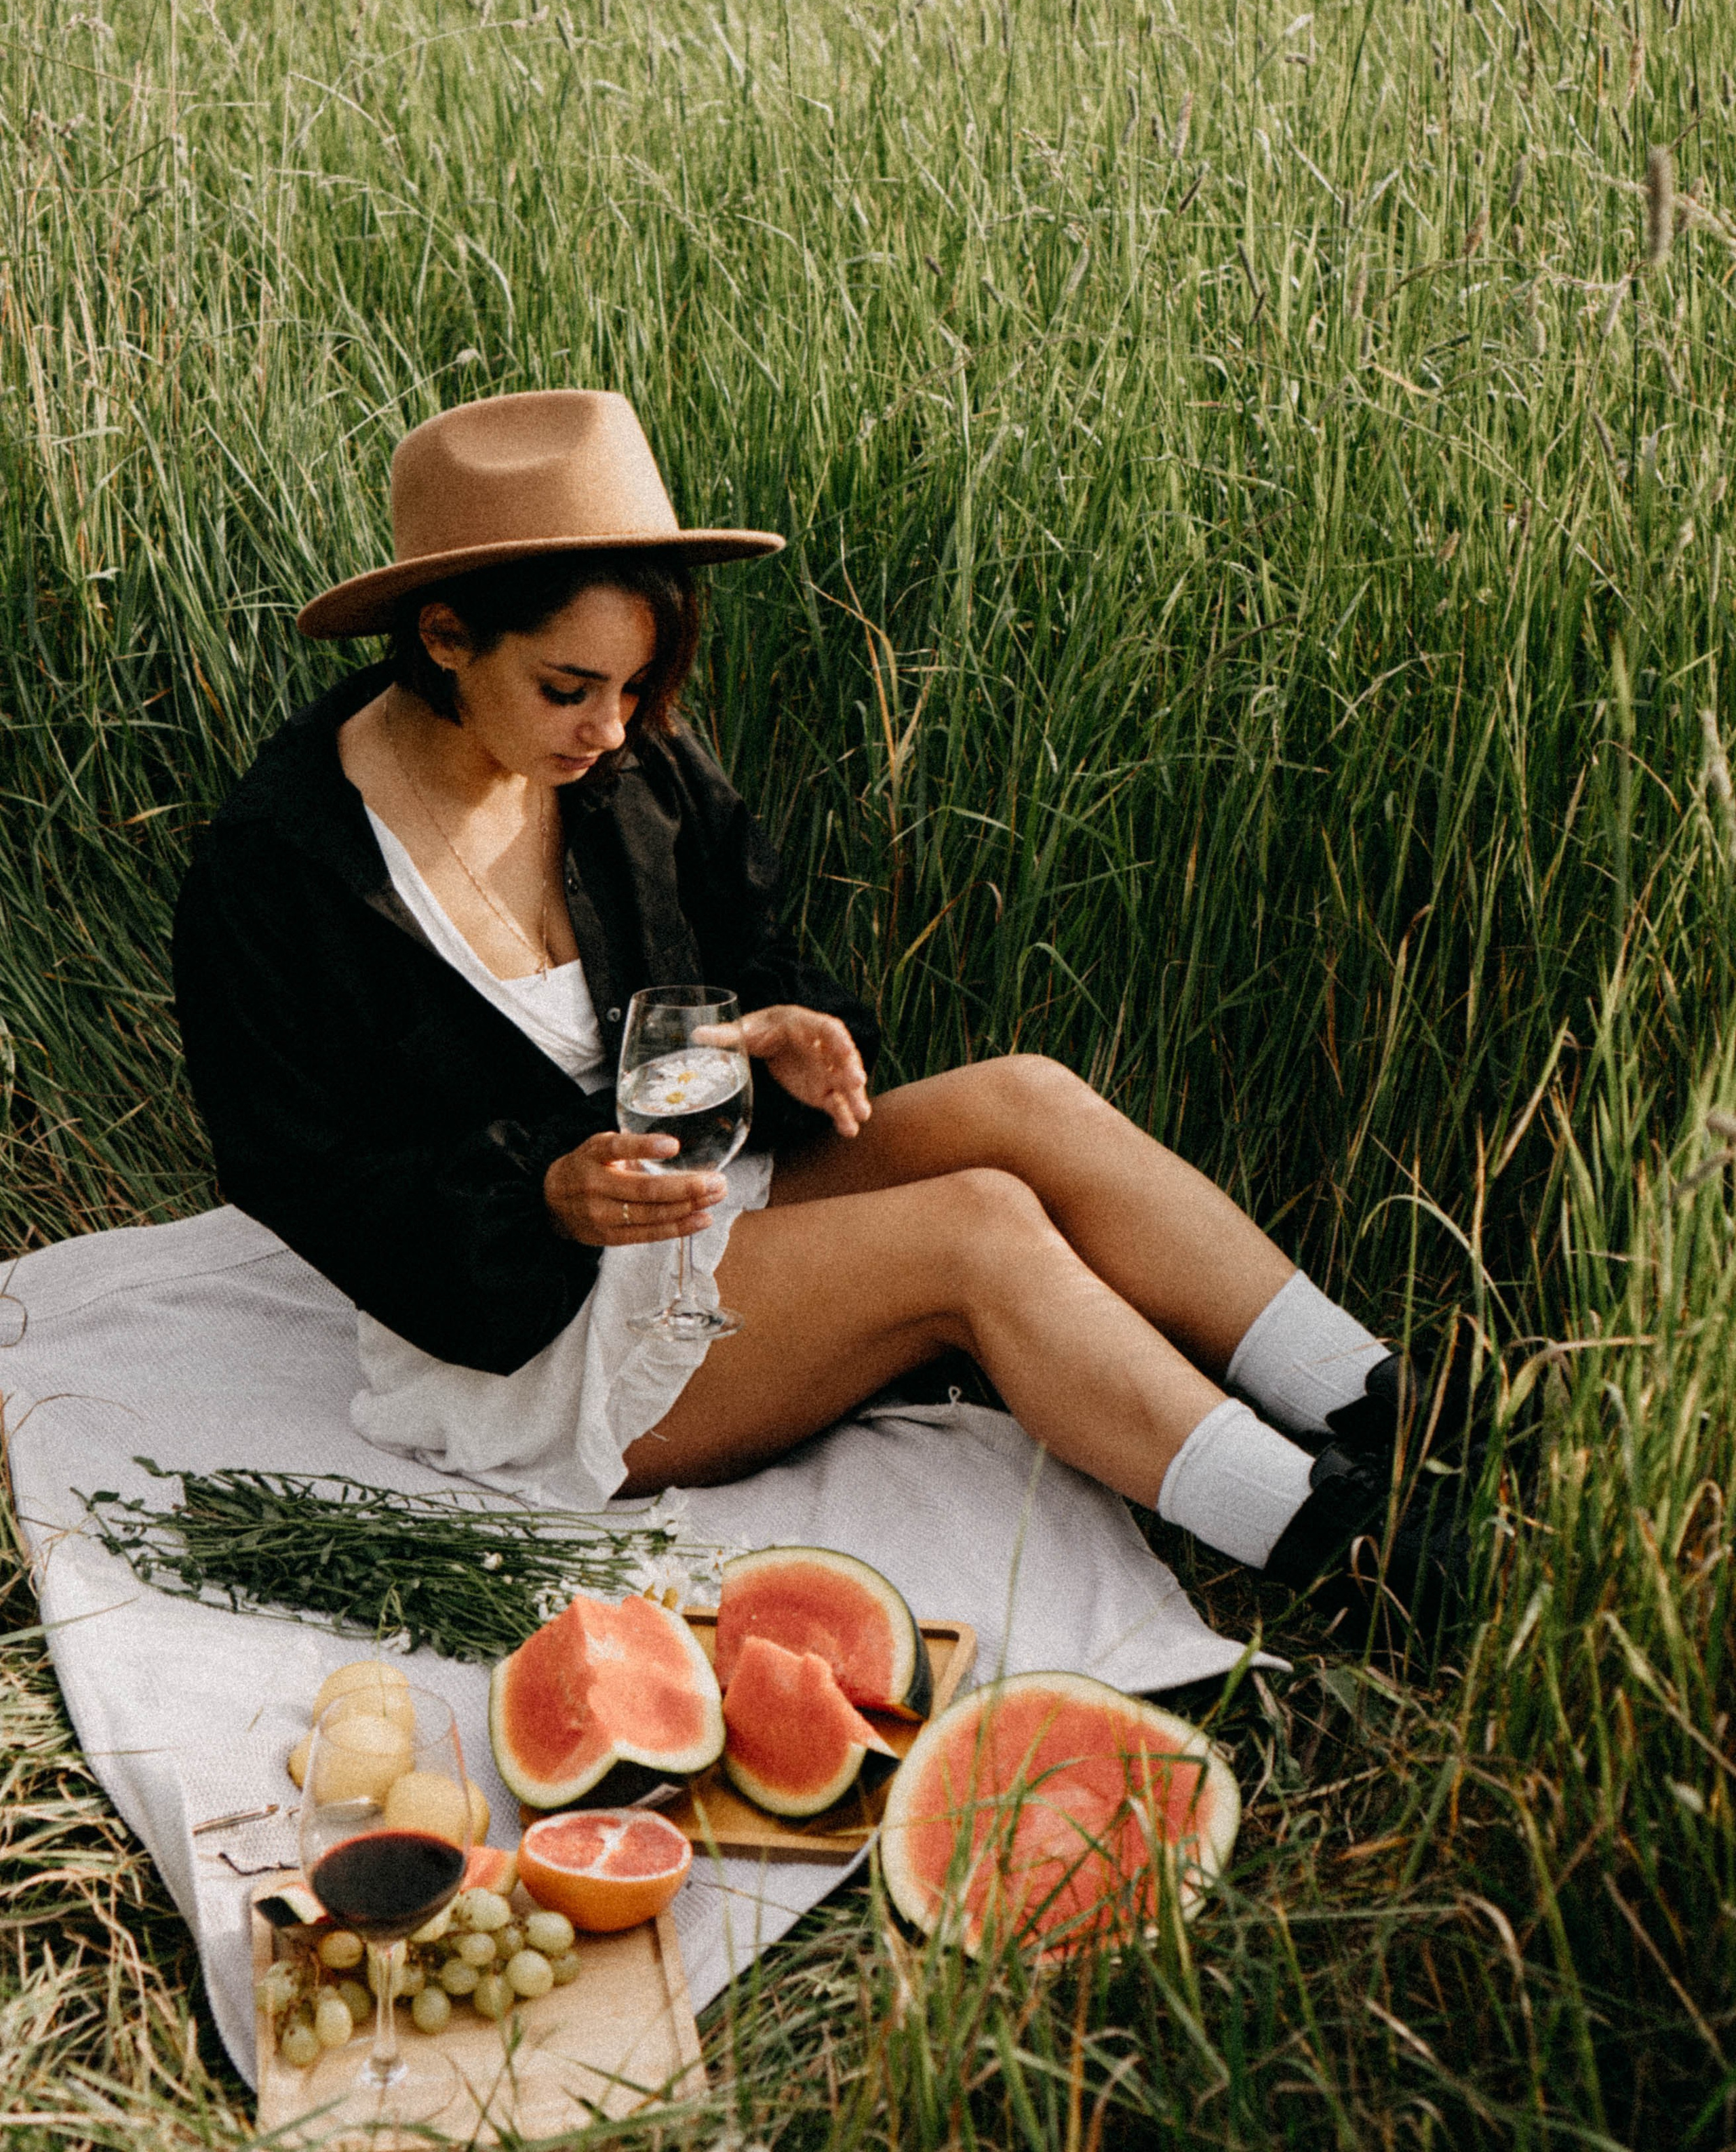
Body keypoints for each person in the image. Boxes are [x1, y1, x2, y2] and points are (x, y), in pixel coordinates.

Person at [174, 389, 1474, 1603]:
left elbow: (746, 940)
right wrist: (548, 1199)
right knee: (978, 1229)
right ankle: (1338, 1544)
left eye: (636, 688)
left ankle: (1389, 1406)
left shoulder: (622, 755)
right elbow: (300, 1168)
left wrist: (789, 1028)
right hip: (526, 1324)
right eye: (569, 689)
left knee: (1028, 1100)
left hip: (698, 1186)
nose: (613, 730)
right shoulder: (285, 867)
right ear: (446, 634)